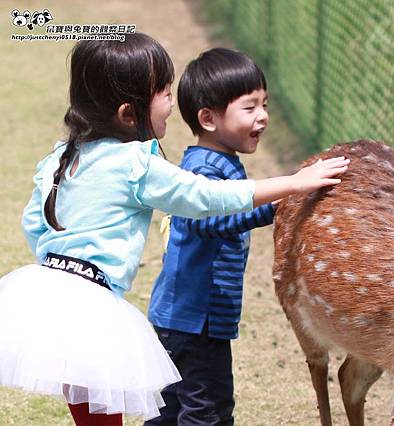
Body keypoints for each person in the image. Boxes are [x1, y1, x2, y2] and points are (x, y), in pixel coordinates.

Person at [0, 34, 349, 426]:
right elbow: (206, 198)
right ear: (128, 114)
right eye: (165, 93)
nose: (172, 103)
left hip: (48, 289)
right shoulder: (136, 163)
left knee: (92, 403)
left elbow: (34, 222)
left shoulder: (61, 156)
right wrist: (295, 183)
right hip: (93, 301)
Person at [144, 48, 276, 426]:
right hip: (194, 320)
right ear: (208, 118)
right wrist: (275, 205)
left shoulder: (219, 161)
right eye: (249, 108)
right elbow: (206, 221)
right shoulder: (203, 167)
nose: (263, 116)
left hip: (184, 318)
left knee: (171, 410)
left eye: (264, 104)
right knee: (210, 412)